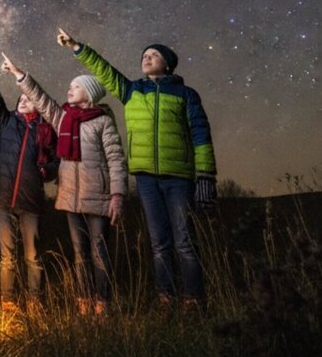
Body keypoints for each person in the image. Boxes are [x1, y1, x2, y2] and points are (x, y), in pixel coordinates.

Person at [56, 29, 217, 309]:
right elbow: (104, 71)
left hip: (179, 176)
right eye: (144, 55)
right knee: (158, 242)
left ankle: (194, 299)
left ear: (167, 63)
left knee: (185, 241)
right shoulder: (132, 91)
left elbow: (201, 134)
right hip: (145, 178)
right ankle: (165, 297)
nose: (147, 58)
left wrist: (205, 174)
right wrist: (76, 46)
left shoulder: (185, 94)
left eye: (154, 55)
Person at [2, 53, 127, 315]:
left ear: (90, 93)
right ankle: (84, 302)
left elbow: (116, 158)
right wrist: (19, 74)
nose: (70, 89)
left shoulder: (102, 121)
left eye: (76, 86)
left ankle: (103, 303)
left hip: (98, 197)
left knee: (99, 252)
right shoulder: (63, 118)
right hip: (71, 197)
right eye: (70, 86)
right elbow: (40, 99)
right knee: (80, 252)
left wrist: (117, 194)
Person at [0, 48, 57, 315]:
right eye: (19, 99)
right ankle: (8, 301)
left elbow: (55, 162)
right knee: (7, 256)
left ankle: (34, 300)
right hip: (5, 199)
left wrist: (45, 173)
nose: (22, 101)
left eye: (27, 100)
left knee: (32, 255)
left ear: (37, 106)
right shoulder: (7, 123)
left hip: (30, 201)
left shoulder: (45, 131)